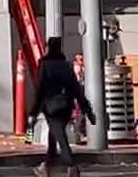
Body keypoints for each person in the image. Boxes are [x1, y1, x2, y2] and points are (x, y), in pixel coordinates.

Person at [31, 37, 95, 177]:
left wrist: (33, 112)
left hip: (51, 107)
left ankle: (71, 166)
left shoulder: (44, 65)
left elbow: (40, 89)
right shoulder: (66, 65)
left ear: (48, 48)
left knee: (59, 136)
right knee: (53, 135)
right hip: (66, 106)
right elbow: (76, 88)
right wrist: (86, 109)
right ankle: (46, 167)